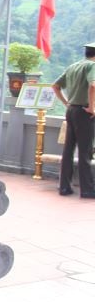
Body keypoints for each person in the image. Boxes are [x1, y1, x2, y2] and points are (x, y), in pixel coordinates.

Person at [52, 41, 95, 198]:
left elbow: (55, 86)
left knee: (68, 150)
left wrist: (67, 103)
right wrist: (92, 107)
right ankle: (87, 189)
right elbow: (93, 86)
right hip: (84, 112)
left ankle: (64, 187)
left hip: (71, 111)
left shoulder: (73, 66)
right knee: (85, 151)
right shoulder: (91, 66)